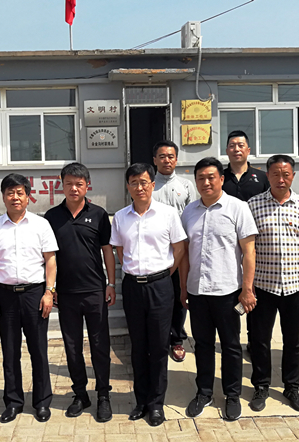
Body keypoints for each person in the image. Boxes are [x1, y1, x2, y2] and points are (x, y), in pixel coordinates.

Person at [180, 157, 258, 421]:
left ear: (222, 179)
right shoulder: (189, 212)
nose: (206, 182)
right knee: (202, 344)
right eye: (200, 178)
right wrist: (183, 288)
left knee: (231, 346)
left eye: (211, 177)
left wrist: (247, 289)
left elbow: (249, 252)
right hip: (197, 291)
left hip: (227, 291)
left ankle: (232, 394)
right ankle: (204, 392)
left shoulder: (238, 208)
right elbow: (185, 255)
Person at [110, 163, 186, 427]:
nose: (139, 187)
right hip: (133, 287)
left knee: (158, 346)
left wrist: (164, 274)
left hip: (160, 286)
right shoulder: (121, 217)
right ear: (128, 187)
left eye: (144, 182)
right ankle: (141, 400)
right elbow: (120, 251)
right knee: (138, 346)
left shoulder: (168, 214)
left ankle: (156, 404)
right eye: (134, 183)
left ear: (153, 184)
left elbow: (179, 248)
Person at [0, 173, 58, 423]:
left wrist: (49, 292)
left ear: (28, 196)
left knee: (39, 351)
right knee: (10, 352)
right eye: (10, 193)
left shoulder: (41, 225)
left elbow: (50, 260)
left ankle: (42, 402)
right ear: (3, 197)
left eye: (20, 193)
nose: (15, 197)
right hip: (5, 296)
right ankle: (13, 403)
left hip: (35, 294)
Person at [246, 154, 299, 413]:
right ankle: (261, 385)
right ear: (267, 175)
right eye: (276, 174)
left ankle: (292, 386)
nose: (281, 179)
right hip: (262, 285)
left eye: (286, 174)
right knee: (260, 340)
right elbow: (246, 247)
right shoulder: (253, 205)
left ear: (293, 176)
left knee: (293, 340)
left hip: (296, 286)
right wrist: (246, 284)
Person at [44, 163, 116, 422]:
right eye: (69, 184)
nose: (74, 188)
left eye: (79, 184)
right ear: (61, 185)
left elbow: (107, 250)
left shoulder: (98, 214)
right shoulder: (51, 217)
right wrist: (51, 288)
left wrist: (111, 283)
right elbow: (48, 256)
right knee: (72, 347)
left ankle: (103, 395)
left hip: (95, 291)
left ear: (87, 186)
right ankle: (80, 394)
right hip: (66, 294)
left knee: (100, 345)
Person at [151, 140, 197, 363]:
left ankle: (177, 338)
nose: (166, 160)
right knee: (159, 296)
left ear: (176, 160)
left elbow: (194, 215)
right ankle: (159, 336)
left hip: (182, 251)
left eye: (170, 156)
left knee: (180, 294)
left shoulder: (186, 185)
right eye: (162, 156)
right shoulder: (149, 185)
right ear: (155, 160)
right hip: (157, 251)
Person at [222, 130, 270, 202]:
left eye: (241, 146)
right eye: (232, 146)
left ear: (248, 150)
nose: (236, 149)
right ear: (227, 151)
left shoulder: (263, 177)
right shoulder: (219, 177)